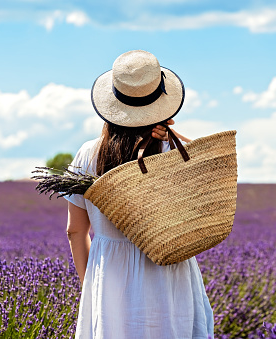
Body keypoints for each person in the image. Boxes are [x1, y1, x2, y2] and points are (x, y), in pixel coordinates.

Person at [65, 50, 214, 339]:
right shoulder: (173, 153)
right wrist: (175, 144)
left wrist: (91, 287)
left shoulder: (87, 154)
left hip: (110, 280)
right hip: (169, 276)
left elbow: (75, 231)